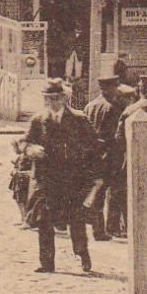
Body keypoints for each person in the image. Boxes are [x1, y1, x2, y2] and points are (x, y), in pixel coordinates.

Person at [23, 78, 94, 275]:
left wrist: (81, 162)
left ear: (64, 98)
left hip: (72, 179)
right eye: (48, 98)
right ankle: (47, 262)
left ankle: (82, 255)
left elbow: (93, 147)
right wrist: (31, 149)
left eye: (56, 98)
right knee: (44, 219)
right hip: (46, 179)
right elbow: (25, 143)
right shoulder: (38, 120)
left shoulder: (79, 119)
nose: (52, 102)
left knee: (76, 220)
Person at [84, 66, 127, 241]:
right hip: (111, 155)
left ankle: (98, 229)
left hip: (94, 156)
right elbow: (115, 135)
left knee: (98, 193)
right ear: (112, 88)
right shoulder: (114, 107)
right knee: (116, 191)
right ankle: (112, 227)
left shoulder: (90, 106)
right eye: (115, 87)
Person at [7, 137, 35, 226]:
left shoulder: (28, 157)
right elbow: (16, 166)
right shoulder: (21, 156)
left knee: (23, 200)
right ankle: (23, 218)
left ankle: (27, 220)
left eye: (15, 147)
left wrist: (20, 172)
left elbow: (31, 170)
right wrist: (14, 170)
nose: (14, 150)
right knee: (18, 199)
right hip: (18, 181)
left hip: (24, 182)